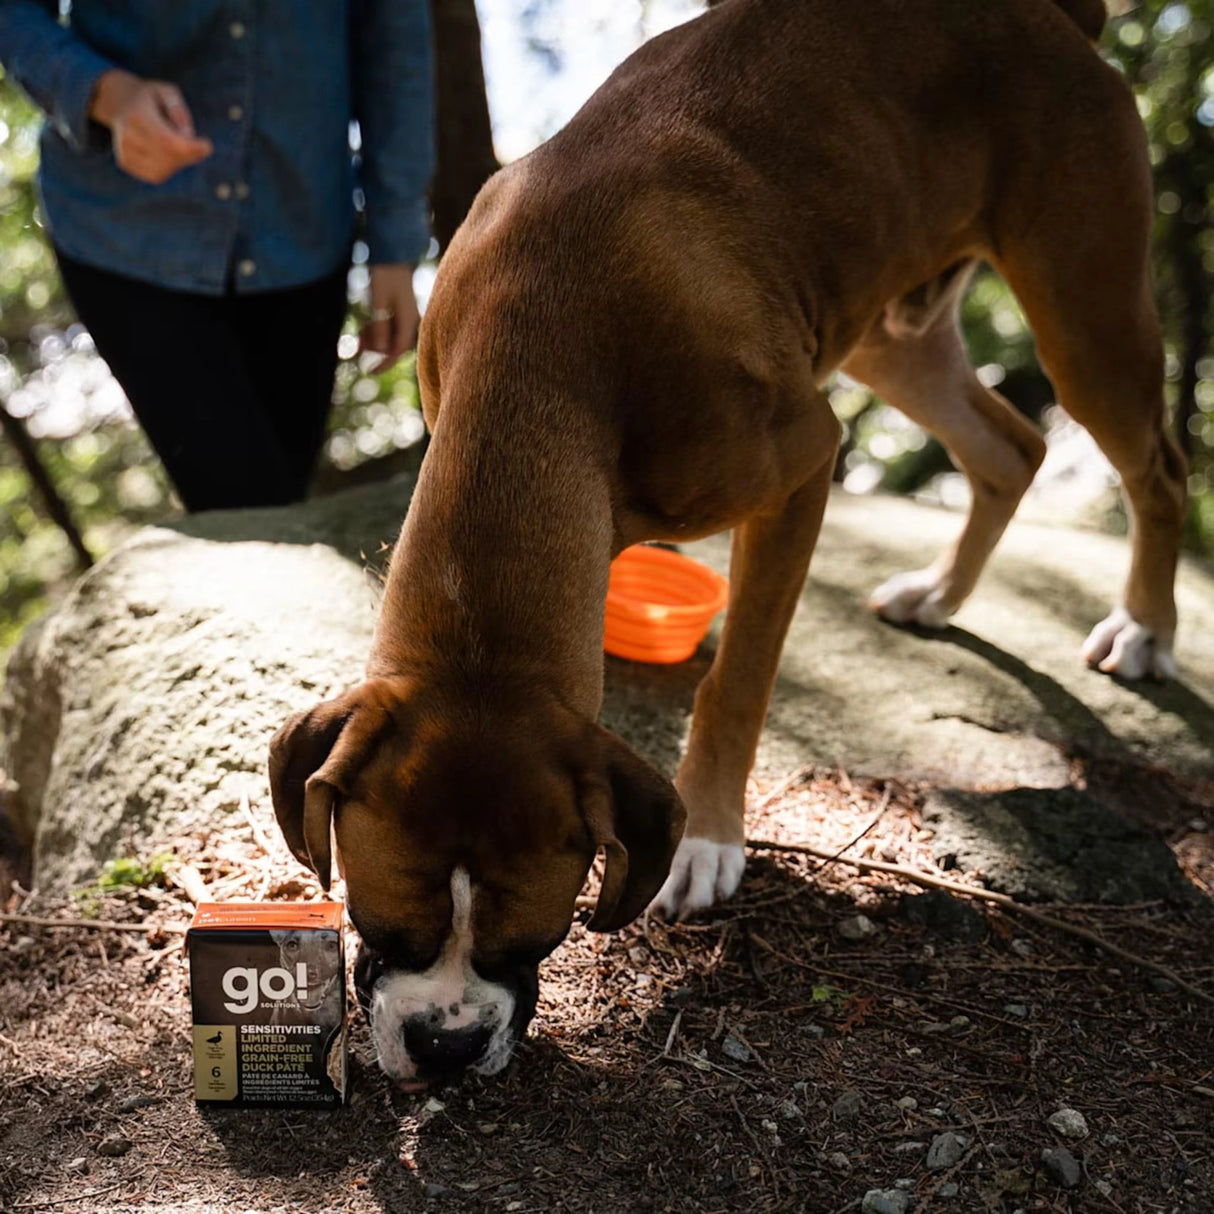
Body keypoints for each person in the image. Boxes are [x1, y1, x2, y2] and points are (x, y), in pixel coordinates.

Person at [0, 1, 435, 511]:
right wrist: (103, 94)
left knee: (280, 503)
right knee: (251, 511)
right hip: (123, 237)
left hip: (303, 235)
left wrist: (395, 240)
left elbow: (394, 32)